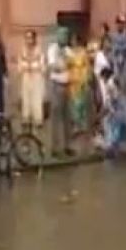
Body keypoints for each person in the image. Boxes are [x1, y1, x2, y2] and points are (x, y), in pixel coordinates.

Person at [47, 27, 73, 157]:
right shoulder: (53, 49)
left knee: (67, 117)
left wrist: (65, 64)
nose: (65, 38)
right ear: (58, 36)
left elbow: (73, 63)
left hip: (67, 84)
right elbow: (53, 66)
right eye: (63, 35)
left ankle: (67, 146)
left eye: (66, 35)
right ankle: (55, 148)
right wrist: (63, 64)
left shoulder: (68, 50)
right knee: (56, 117)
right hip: (56, 85)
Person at [18, 29, 46, 131]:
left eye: (30, 38)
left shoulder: (39, 50)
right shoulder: (23, 50)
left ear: (34, 39)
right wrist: (27, 65)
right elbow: (20, 65)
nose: (29, 40)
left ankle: (37, 120)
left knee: (37, 98)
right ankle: (26, 119)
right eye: (27, 38)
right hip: (26, 76)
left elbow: (42, 65)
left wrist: (31, 65)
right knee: (26, 97)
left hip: (36, 77)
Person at [67, 33, 91, 134]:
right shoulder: (69, 53)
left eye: (74, 40)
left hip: (81, 80)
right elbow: (66, 65)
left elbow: (87, 67)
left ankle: (83, 125)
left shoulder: (83, 52)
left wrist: (85, 80)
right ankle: (76, 125)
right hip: (72, 82)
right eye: (72, 41)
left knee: (81, 104)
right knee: (73, 104)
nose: (73, 43)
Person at [110, 14, 126, 86]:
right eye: (119, 23)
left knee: (125, 79)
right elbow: (113, 48)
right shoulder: (113, 35)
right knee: (117, 79)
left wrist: (120, 47)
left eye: (122, 23)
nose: (120, 25)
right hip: (116, 60)